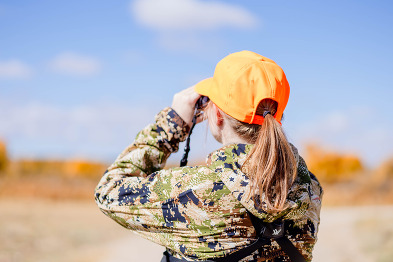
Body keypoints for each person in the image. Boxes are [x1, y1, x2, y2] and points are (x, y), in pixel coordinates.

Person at [95, 51, 323, 262]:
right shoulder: (310, 188)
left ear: (217, 114)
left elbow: (107, 191)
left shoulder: (193, 189)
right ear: (278, 115)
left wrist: (171, 125)